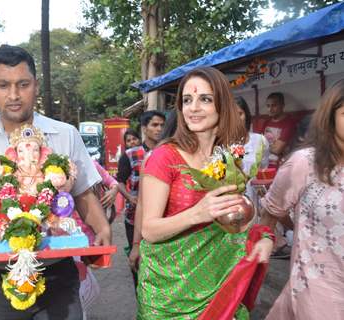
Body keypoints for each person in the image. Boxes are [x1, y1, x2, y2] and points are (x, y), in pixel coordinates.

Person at [0, 44, 111, 320]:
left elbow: (84, 194)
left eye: (22, 84)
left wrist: (101, 227)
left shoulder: (65, 134)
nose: (13, 95)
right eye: (3, 85)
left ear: (35, 86)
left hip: (58, 273)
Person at [136, 67, 273, 319]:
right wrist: (197, 214)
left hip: (220, 284)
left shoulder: (224, 158)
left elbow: (232, 218)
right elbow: (149, 230)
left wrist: (263, 236)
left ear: (223, 105)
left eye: (205, 99)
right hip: (171, 295)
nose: (193, 108)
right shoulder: (164, 157)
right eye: (187, 100)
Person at [258, 79, 344, 320]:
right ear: (329, 118)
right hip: (319, 293)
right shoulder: (304, 163)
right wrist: (266, 239)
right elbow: (270, 212)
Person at [116, 110, 165, 288]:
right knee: (138, 261)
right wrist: (130, 197)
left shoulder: (170, 153)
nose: (159, 129)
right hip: (134, 217)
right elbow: (119, 182)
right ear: (144, 128)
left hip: (163, 218)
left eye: (161, 125)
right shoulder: (131, 154)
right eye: (154, 125)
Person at [235, 97, 270, 202]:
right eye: (231, 116)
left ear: (246, 115)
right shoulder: (223, 144)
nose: (236, 119)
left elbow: (263, 171)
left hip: (256, 200)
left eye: (240, 114)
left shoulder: (260, 141)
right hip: (233, 203)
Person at [261, 92, 296, 168]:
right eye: (268, 106)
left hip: (281, 165)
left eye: (274, 105)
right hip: (265, 163)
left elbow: (277, 149)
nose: (270, 109)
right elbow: (258, 143)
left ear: (282, 106)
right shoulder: (266, 122)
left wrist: (264, 146)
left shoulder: (289, 123)